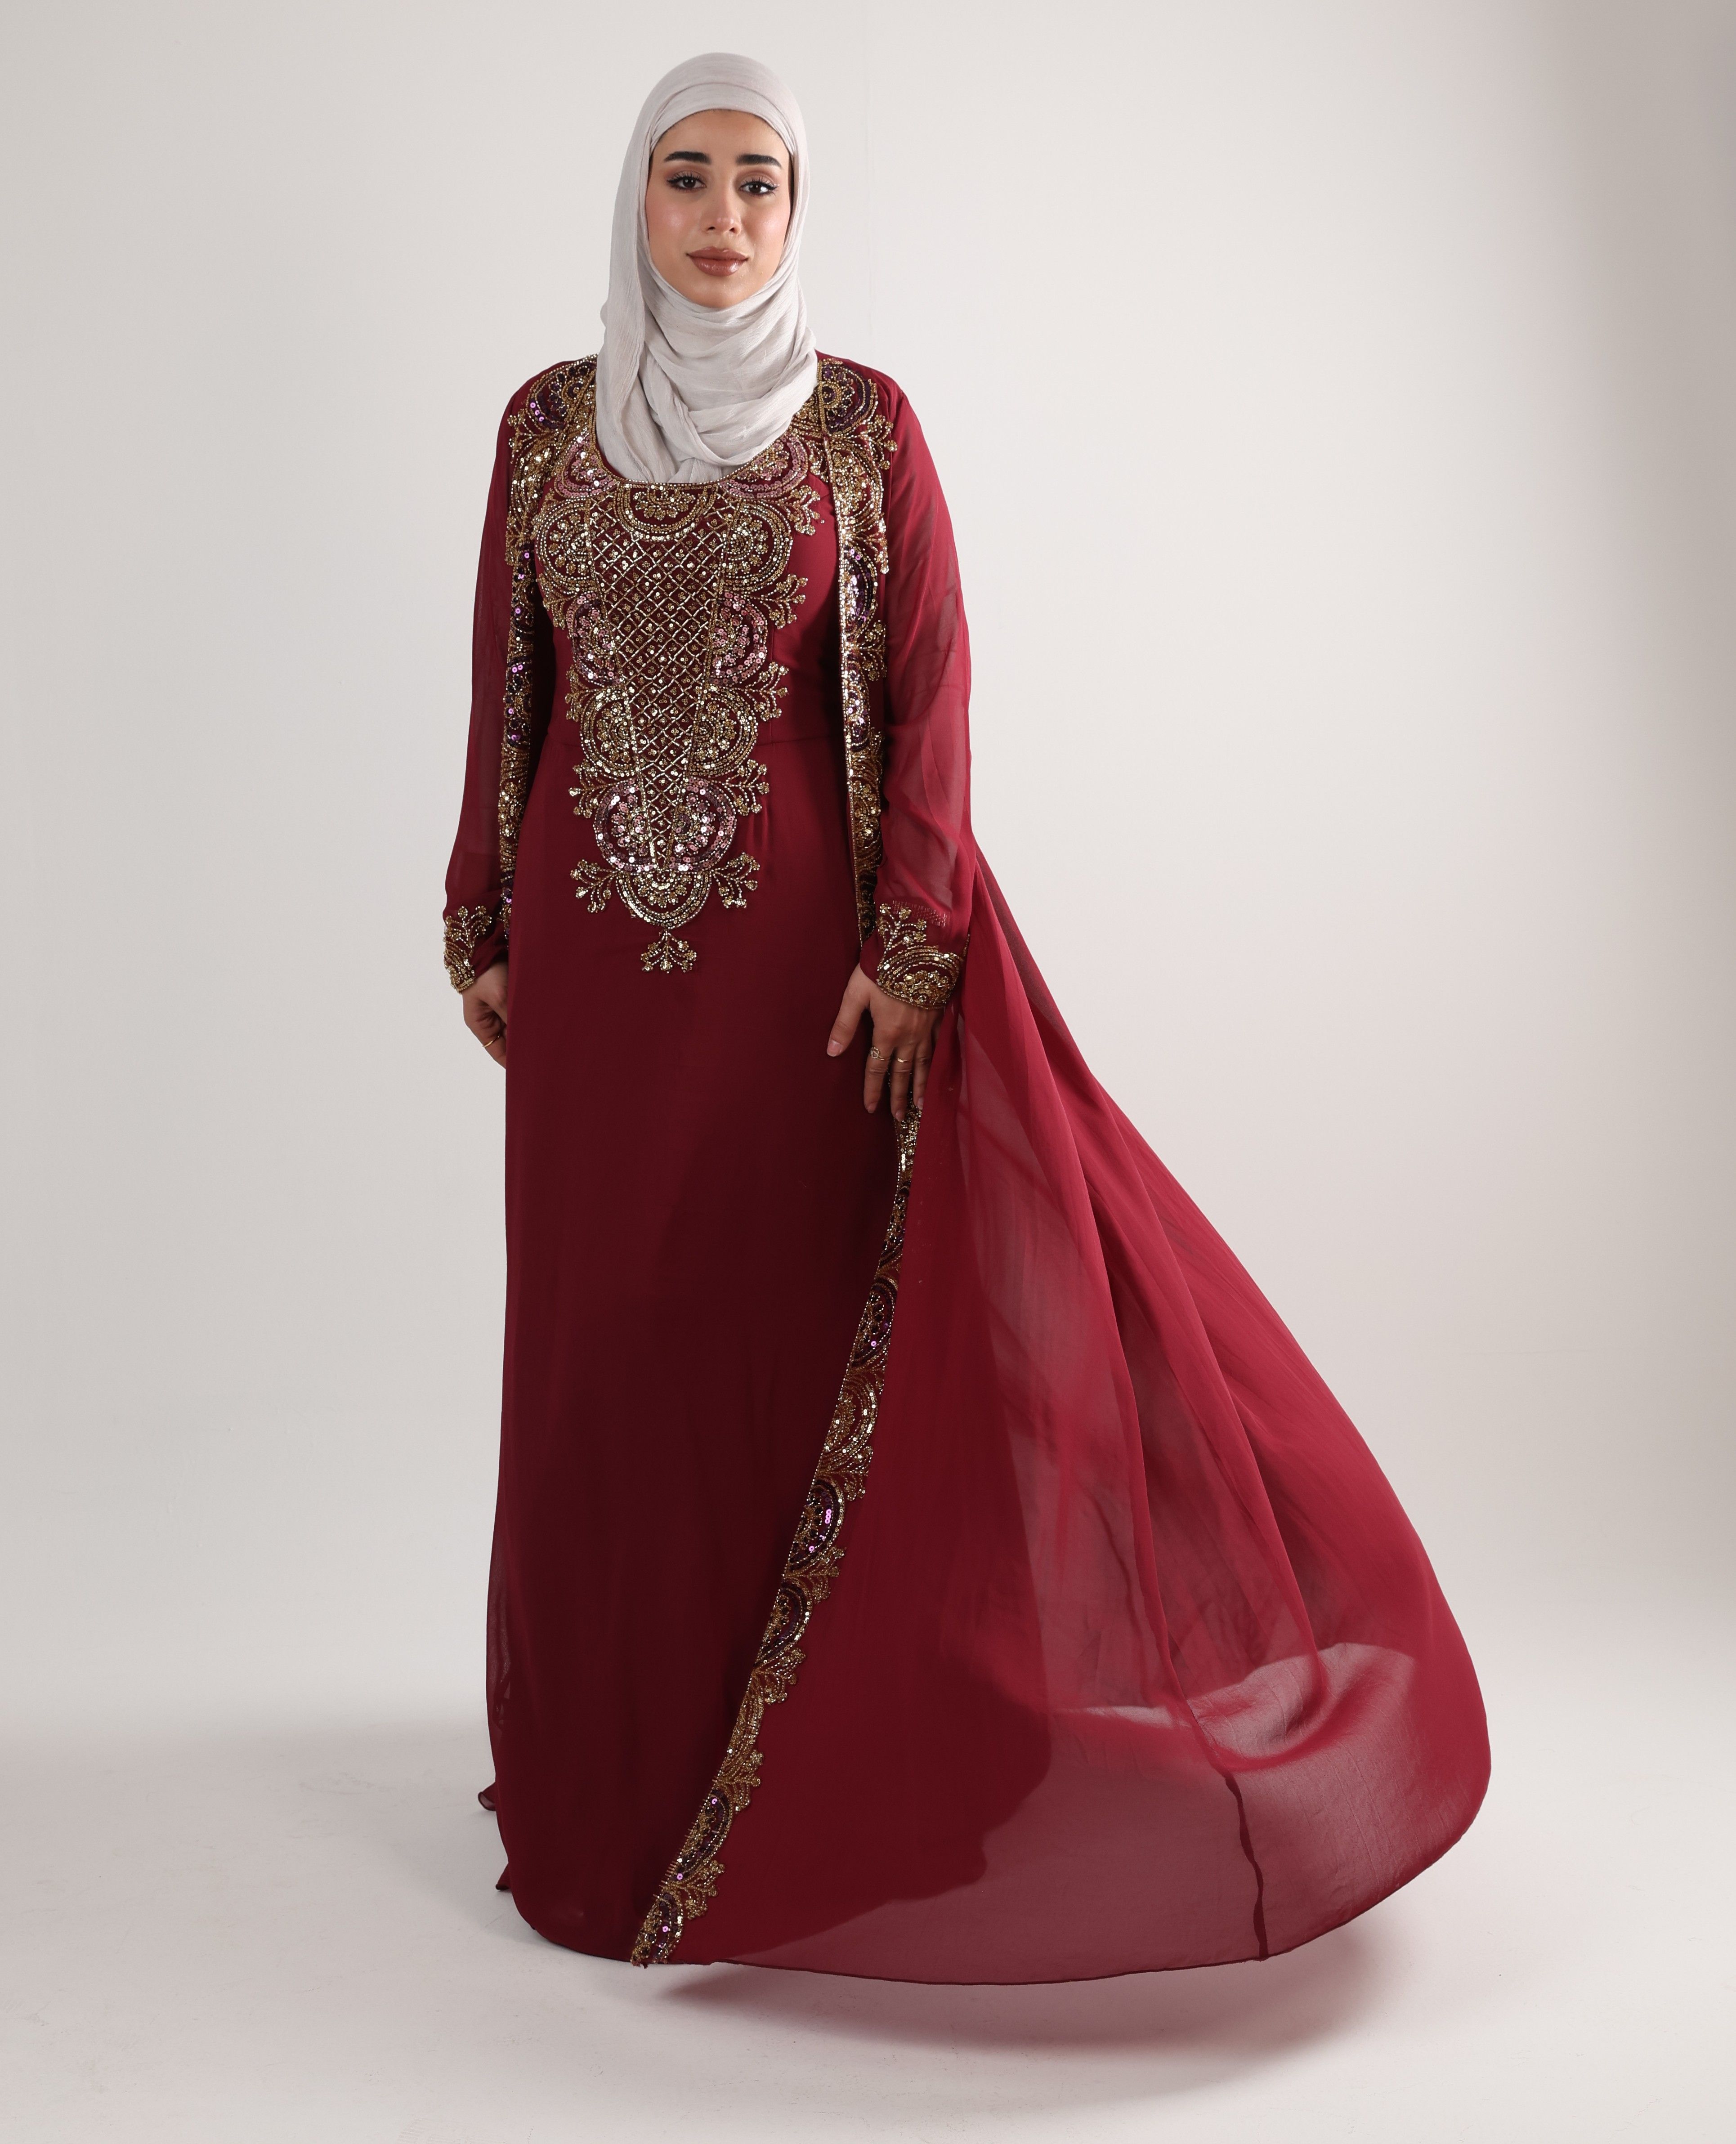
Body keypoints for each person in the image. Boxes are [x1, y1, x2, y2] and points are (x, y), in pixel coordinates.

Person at [442, 53, 1489, 1980]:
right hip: (592, 981)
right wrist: (479, 911)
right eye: (688, 177)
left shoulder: (860, 425)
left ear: (798, 207)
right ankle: (609, 1781)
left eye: (760, 181)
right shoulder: (545, 427)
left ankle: (786, 1781)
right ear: (635, 197)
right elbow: (512, 683)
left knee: (767, 1347)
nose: (724, 218)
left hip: (800, 989)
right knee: (601, 1357)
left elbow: (930, 680)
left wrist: (914, 940)